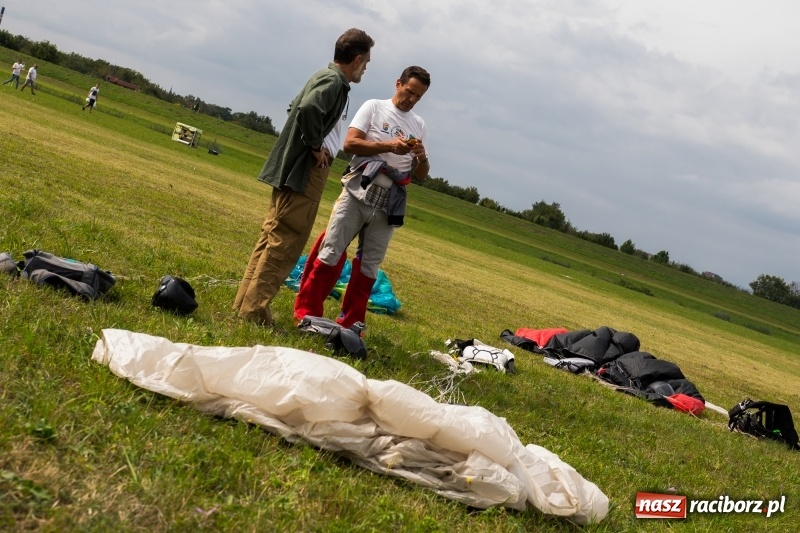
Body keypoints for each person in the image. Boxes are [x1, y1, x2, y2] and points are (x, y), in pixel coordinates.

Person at [233, 28, 374, 327]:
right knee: (285, 241)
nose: (366, 69)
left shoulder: (323, 77)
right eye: (367, 63)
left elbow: (295, 106)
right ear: (358, 59)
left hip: (294, 169)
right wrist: (314, 145)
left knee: (271, 236)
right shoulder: (334, 81)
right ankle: (254, 311)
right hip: (305, 173)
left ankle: (246, 304)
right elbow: (308, 108)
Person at [293, 66, 431, 329]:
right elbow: (350, 144)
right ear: (398, 83)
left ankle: (351, 321)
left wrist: (421, 156)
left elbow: (422, 174)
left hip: (390, 201)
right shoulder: (374, 108)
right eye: (410, 91)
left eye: (418, 96)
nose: (412, 99)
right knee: (332, 250)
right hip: (358, 191)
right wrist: (389, 146)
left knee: (370, 265)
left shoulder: (419, 125)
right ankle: (307, 313)